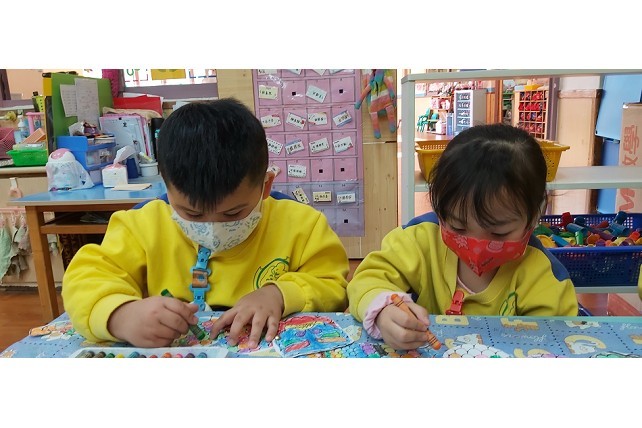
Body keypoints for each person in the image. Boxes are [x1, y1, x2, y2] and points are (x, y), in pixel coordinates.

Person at [62, 98, 349, 348]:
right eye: (193, 214)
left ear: (265, 186)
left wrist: (280, 293)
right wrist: (120, 315)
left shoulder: (301, 224)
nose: (212, 227)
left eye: (233, 214)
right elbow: (86, 279)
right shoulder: (141, 226)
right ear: (167, 188)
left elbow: (333, 285)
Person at [347, 123, 578, 350]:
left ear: (534, 215)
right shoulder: (420, 240)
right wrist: (383, 310)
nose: (476, 245)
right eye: (458, 227)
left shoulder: (544, 276)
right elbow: (367, 280)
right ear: (440, 208)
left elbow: (555, 342)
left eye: (498, 233)